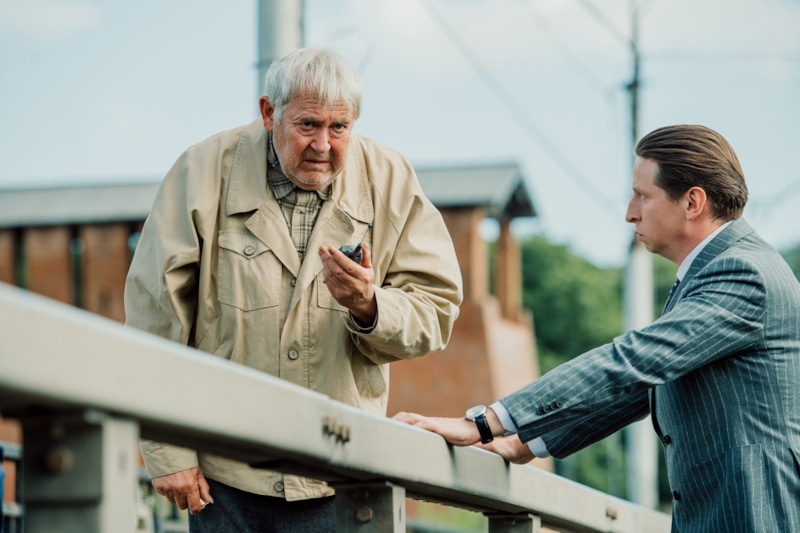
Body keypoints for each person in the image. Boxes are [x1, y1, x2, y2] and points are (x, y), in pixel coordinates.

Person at [394, 124, 800, 532]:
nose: (630, 212)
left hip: (754, 515)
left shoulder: (742, 273)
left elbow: (634, 361)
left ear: (692, 201)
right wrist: (525, 442)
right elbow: (645, 385)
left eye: (642, 195)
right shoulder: (717, 271)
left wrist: (483, 423)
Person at [124, 47, 463, 532]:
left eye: (339, 127)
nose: (323, 145)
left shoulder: (391, 179)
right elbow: (153, 317)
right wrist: (166, 449)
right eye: (308, 125)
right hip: (224, 477)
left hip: (342, 476)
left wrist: (370, 307)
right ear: (269, 113)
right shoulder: (201, 171)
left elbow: (437, 309)